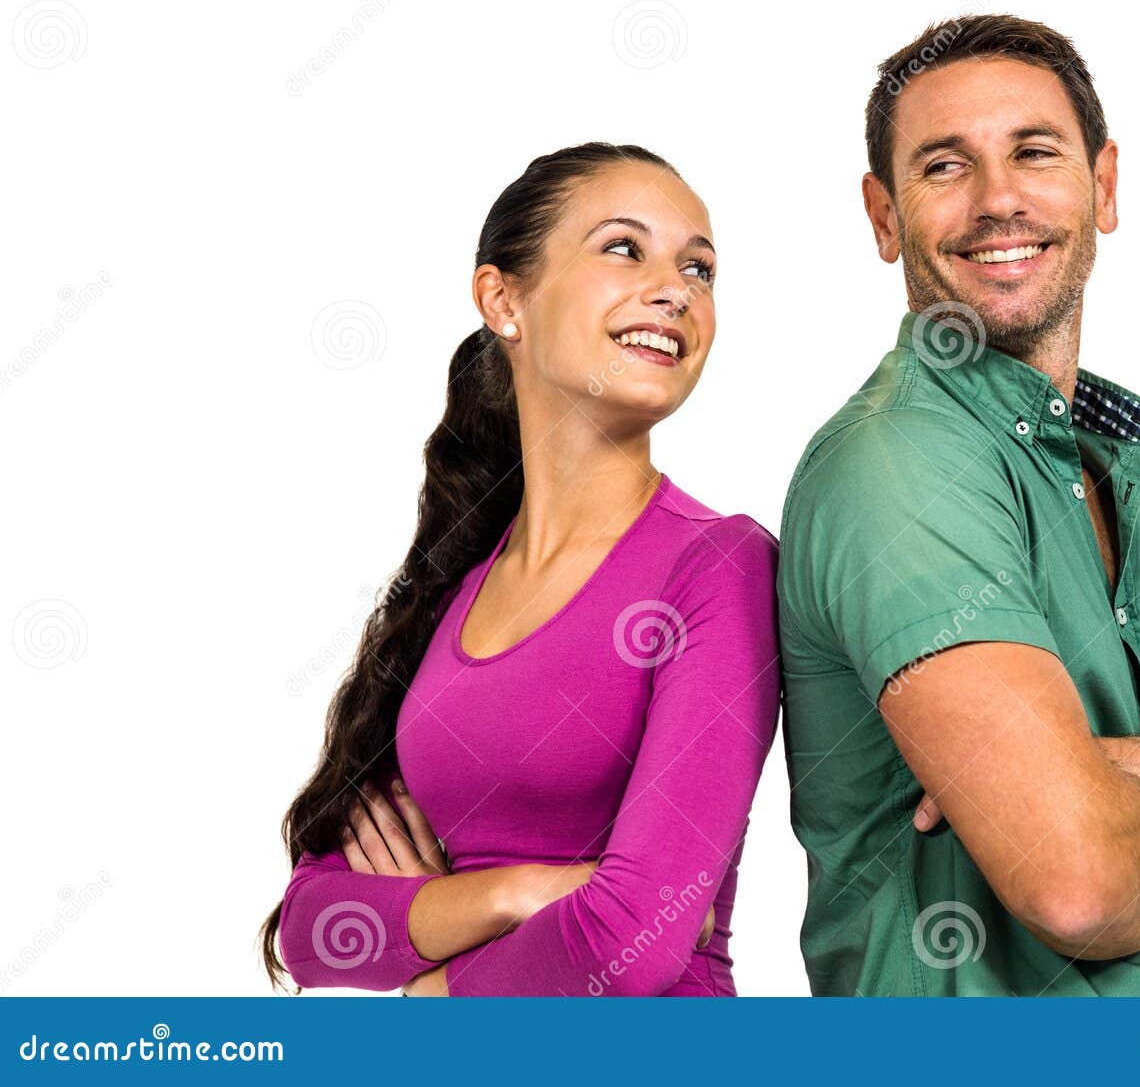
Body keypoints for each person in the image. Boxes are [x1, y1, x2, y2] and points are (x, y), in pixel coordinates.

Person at [777, 15, 1140, 996]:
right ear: (884, 217)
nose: (997, 200)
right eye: (943, 167)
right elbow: (1079, 883)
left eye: (1034, 152)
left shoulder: (1138, 512)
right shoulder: (899, 465)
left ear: (1104, 185)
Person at [260, 142, 780, 996]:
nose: (676, 289)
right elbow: (316, 928)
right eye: (624, 248)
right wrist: (512, 892)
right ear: (503, 299)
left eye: (701, 268)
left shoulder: (716, 565)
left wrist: (430, 989)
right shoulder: (458, 578)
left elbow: (638, 933)